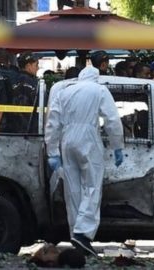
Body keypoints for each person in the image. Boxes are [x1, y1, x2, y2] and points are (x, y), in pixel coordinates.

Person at [44, 66, 124, 257]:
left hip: (67, 140)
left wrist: (52, 152)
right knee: (92, 186)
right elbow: (112, 119)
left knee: (72, 190)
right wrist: (117, 145)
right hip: (88, 138)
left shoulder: (64, 92)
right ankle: (83, 233)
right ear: (96, 78)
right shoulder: (99, 90)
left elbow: (52, 122)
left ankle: (76, 237)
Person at [5, 51, 39, 133]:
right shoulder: (36, 83)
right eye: (36, 65)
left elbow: (2, 101)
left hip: (11, 129)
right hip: (32, 130)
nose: (38, 68)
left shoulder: (10, 80)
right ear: (28, 66)